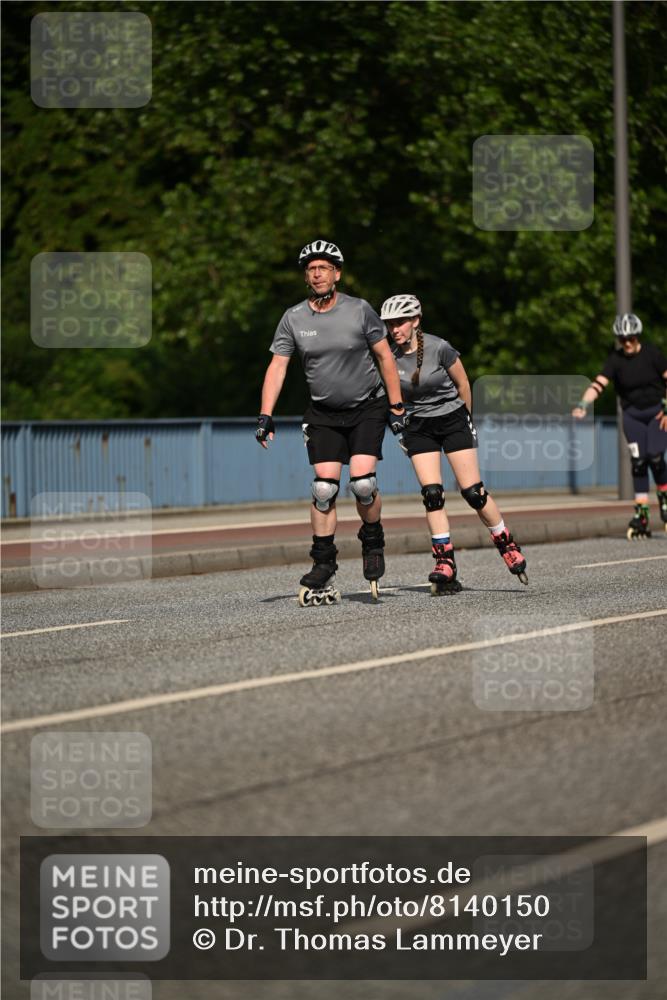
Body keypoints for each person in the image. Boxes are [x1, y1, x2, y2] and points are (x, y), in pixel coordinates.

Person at [256, 240, 406, 604]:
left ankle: (372, 539)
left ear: (337, 273)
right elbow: (278, 366)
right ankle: (323, 562)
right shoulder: (294, 318)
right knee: (323, 489)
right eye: (311, 269)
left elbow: (385, 358)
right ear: (306, 277)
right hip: (323, 412)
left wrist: (397, 407)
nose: (317, 273)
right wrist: (266, 414)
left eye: (324, 267)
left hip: (367, 407)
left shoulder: (360, 311)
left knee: (363, 484)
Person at [379, 294, 528, 594]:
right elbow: (389, 398)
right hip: (419, 425)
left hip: (453, 418)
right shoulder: (389, 358)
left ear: (416, 321)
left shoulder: (439, 347)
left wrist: (466, 419)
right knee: (432, 494)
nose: (395, 329)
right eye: (390, 324)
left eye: (400, 323)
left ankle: (505, 541)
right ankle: (444, 561)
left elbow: (463, 384)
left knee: (473, 493)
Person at [572, 313, 667, 538]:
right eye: (622, 339)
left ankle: (664, 504)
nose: (627, 343)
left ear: (637, 336)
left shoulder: (652, 354)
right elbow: (598, 383)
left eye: (631, 338)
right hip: (632, 416)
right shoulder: (615, 359)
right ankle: (642, 513)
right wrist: (583, 404)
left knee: (655, 457)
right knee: (638, 462)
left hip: (657, 414)